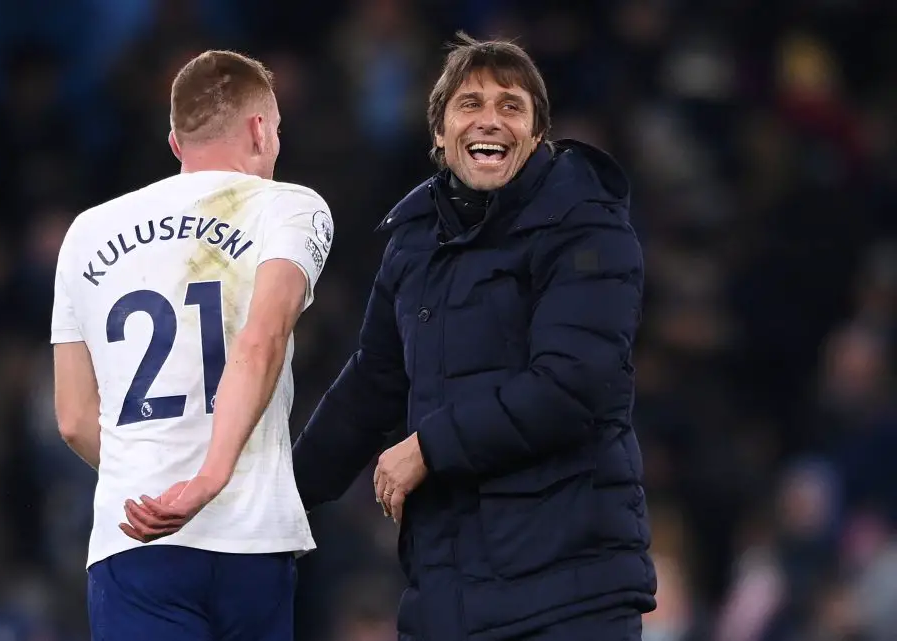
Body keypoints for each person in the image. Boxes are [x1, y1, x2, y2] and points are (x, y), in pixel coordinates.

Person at [291, 32, 656, 640]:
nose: (491, 120)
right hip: (449, 601)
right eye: (470, 104)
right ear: (439, 134)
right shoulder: (413, 243)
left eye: (511, 106)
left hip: (570, 597)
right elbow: (374, 382)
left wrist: (426, 447)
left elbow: (571, 386)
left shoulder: (588, 224)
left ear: (538, 135)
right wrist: (283, 495)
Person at [50, 49, 333, 641]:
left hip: (136, 540)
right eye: (276, 128)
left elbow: (75, 419)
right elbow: (263, 340)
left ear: (176, 142)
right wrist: (209, 478)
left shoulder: (86, 232)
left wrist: (154, 484)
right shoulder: (289, 207)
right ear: (260, 128)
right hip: (252, 535)